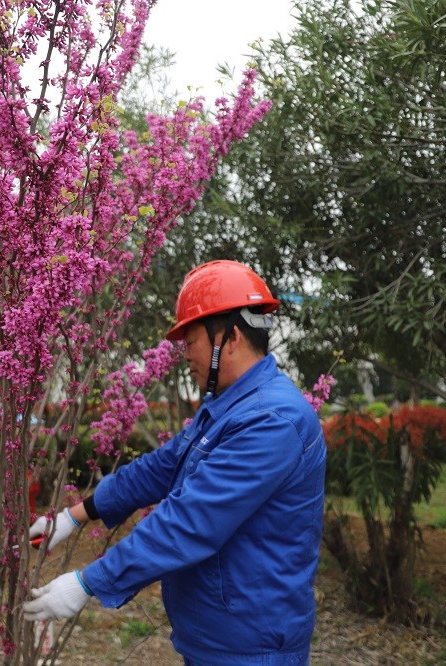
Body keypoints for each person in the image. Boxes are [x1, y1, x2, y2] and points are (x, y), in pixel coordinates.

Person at [23, 260, 326, 665]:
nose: (184, 354)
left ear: (230, 338)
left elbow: (191, 521)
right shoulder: (230, 406)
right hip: (218, 637)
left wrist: (88, 581)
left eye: (190, 340)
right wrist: (75, 516)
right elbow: (162, 467)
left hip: (251, 647)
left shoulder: (271, 421)